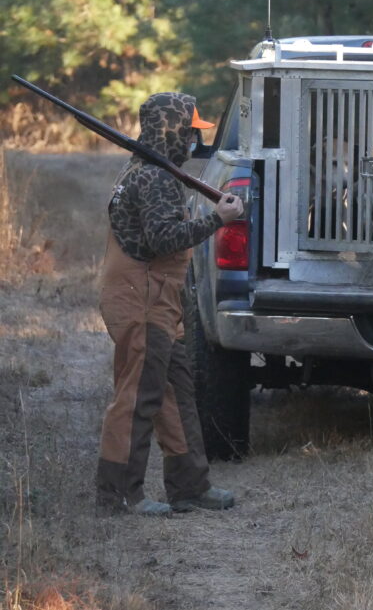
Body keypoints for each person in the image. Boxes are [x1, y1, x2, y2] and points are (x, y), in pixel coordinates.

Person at [96, 91, 245, 515]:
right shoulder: (155, 178)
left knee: (175, 393)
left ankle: (190, 487)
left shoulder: (147, 169)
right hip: (141, 299)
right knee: (139, 396)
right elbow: (163, 239)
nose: (194, 141)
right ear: (173, 132)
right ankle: (119, 496)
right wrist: (219, 219)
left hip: (157, 299)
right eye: (190, 132)